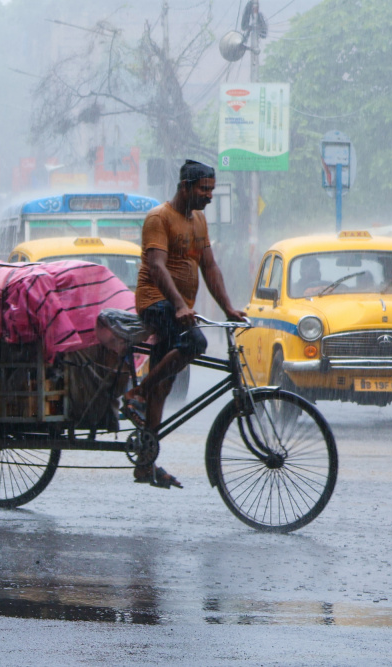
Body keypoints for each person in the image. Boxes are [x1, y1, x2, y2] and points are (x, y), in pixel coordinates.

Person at [122, 160, 246, 489]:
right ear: (185, 187)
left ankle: (145, 464)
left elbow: (210, 266)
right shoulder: (159, 218)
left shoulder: (199, 220)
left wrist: (229, 308)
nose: (208, 196)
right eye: (203, 189)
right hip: (155, 303)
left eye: (211, 190)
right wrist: (178, 304)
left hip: (179, 310)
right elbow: (157, 266)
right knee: (197, 344)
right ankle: (137, 393)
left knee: (164, 387)